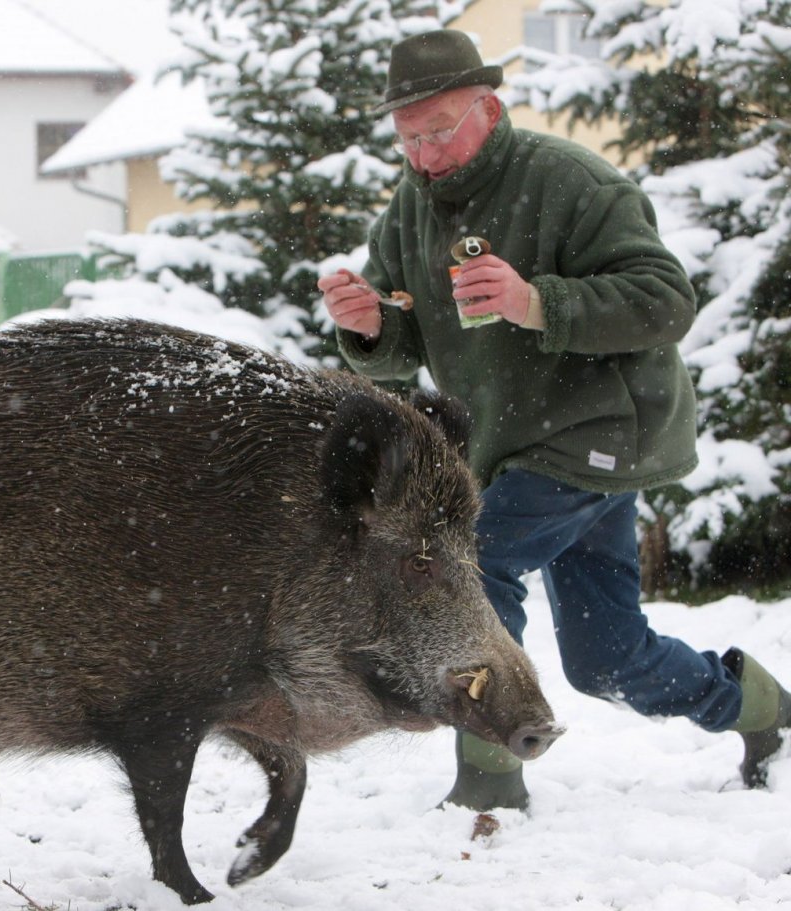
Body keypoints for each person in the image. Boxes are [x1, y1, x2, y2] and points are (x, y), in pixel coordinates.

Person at [319, 28, 791, 811]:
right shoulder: (409, 210)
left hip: (602, 429)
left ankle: (488, 779)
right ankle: (759, 707)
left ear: (490, 108)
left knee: (472, 560)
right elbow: (400, 347)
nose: (426, 153)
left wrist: (535, 301)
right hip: (516, 444)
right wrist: (368, 325)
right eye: (409, 138)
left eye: (441, 130)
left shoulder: (571, 181)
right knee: (607, 657)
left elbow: (665, 299)